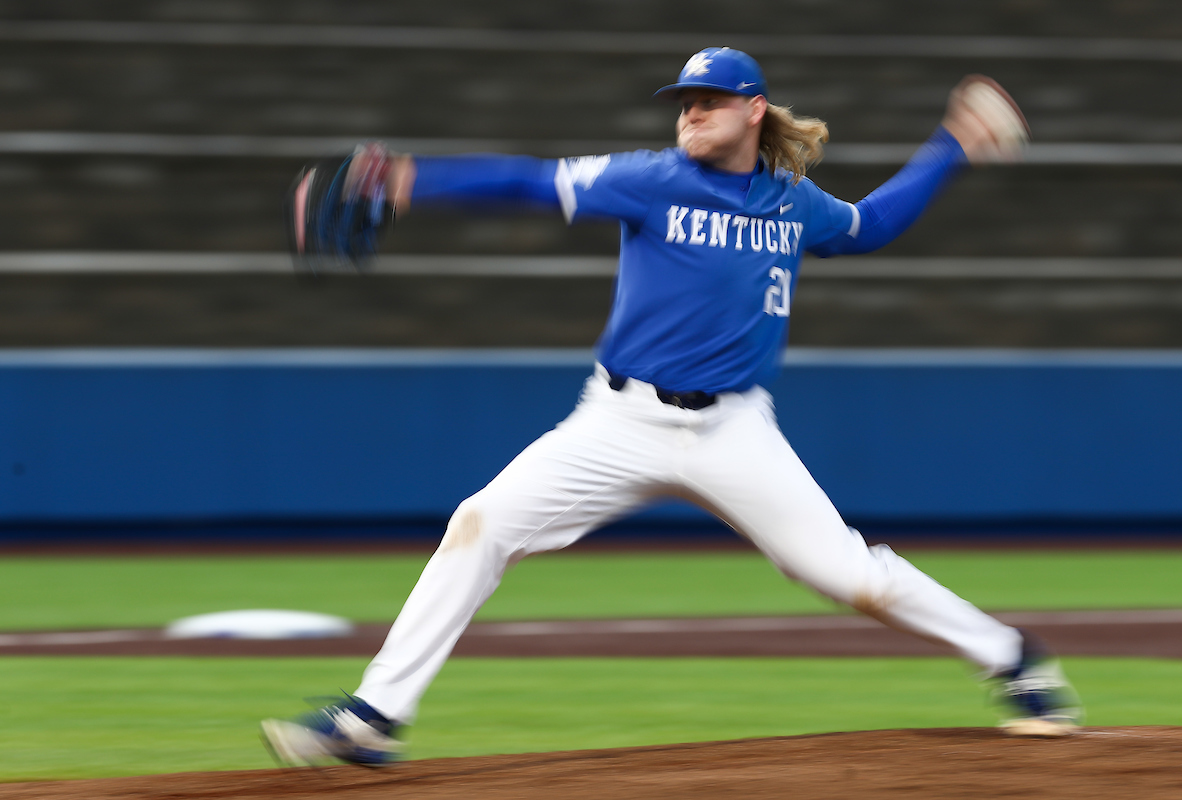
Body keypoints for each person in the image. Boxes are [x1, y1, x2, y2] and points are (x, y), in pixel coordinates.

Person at [261, 47, 1080, 767]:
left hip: (732, 431)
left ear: (753, 110)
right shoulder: (648, 179)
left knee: (847, 575)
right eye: (684, 101)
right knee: (480, 524)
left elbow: (871, 224)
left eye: (708, 100)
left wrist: (951, 146)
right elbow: (527, 180)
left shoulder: (794, 203)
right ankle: (374, 718)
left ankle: (1014, 658)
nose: (690, 112)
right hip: (617, 424)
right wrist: (408, 179)